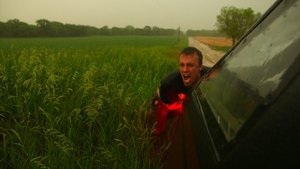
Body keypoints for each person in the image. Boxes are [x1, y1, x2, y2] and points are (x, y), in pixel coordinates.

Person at [150, 46, 208, 136]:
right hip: (166, 98)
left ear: (200, 66)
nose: (185, 70)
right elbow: (166, 101)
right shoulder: (169, 83)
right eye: (182, 65)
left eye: (190, 65)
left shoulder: (211, 74)